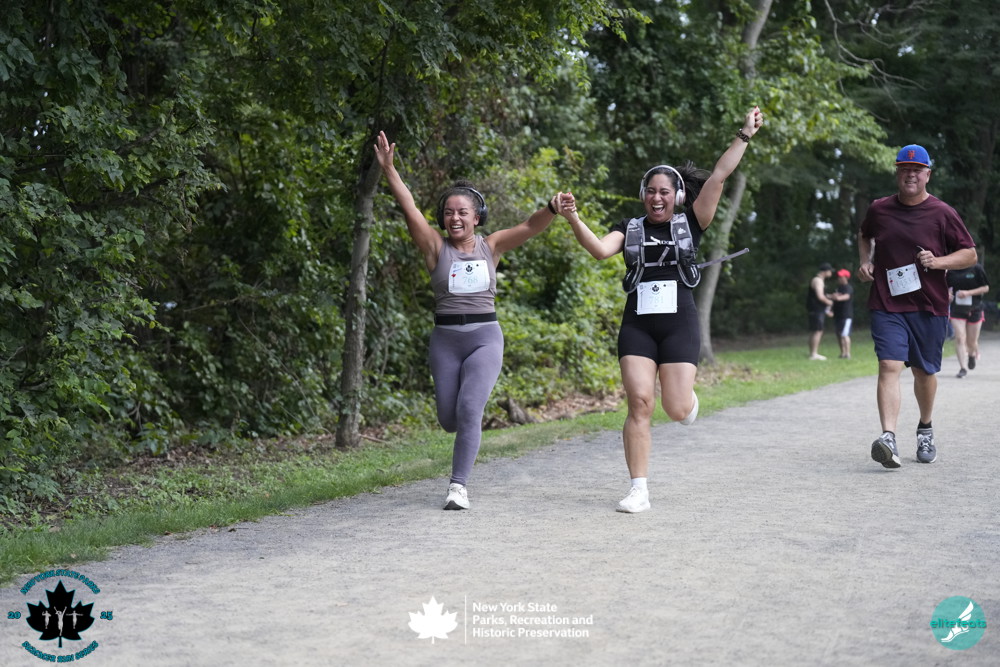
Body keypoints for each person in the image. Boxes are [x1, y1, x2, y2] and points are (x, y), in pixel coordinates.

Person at [560, 106, 764, 513]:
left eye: (664, 192)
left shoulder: (692, 222)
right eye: (651, 191)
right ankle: (638, 489)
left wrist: (744, 134)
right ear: (643, 194)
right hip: (637, 324)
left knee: (675, 408)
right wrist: (573, 218)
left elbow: (719, 176)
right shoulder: (630, 227)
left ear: (678, 196)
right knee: (639, 402)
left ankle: (687, 400)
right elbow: (599, 250)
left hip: (678, 324)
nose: (657, 197)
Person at [373, 130, 565, 510]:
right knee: (450, 419)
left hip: (484, 338)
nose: (455, 218)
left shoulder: (491, 246)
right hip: (445, 341)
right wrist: (389, 170)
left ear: (477, 217)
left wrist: (552, 208)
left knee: (469, 408)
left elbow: (530, 226)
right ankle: (465, 435)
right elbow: (410, 208)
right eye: (449, 212)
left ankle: (458, 486)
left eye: (462, 212)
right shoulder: (435, 247)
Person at [857, 144, 977, 468]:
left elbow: (969, 254)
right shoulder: (880, 209)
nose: (910, 175)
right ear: (897, 173)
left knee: (924, 373)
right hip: (887, 303)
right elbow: (864, 234)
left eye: (917, 170)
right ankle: (888, 437)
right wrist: (865, 261)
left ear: (928, 175)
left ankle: (925, 428)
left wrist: (938, 262)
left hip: (929, 306)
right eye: (904, 169)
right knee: (889, 365)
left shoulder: (943, 213)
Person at [948, 262, 990, 378]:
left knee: (972, 342)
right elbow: (947, 288)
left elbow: (986, 288)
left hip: (975, 308)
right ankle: (963, 368)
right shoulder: (952, 270)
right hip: (957, 309)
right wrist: (949, 294)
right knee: (960, 338)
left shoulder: (976, 268)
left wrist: (968, 293)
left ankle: (971, 355)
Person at [807, 263, 835, 360]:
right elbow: (820, 296)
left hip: (815, 309)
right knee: (818, 331)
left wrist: (830, 296)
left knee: (815, 331)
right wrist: (830, 302)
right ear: (825, 271)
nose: (831, 273)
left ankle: (812, 353)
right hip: (817, 309)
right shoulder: (818, 280)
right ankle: (814, 354)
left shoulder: (817, 280)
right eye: (830, 271)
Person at [831, 268, 855, 359]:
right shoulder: (838, 288)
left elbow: (846, 296)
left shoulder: (848, 287)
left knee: (845, 334)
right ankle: (842, 353)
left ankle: (847, 353)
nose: (839, 278)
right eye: (839, 277)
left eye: (841, 277)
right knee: (838, 334)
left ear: (846, 278)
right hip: (838, 315)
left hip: (846, 315)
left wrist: (837, 297)